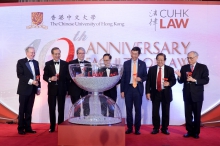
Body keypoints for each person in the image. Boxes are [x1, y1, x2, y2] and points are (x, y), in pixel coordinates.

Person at [175, 51, 209, 139]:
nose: (189, 60)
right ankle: (189, 131)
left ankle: (196, 132)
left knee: (197, 114)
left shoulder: (203, 67)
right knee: (188, 114)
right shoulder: (184, 67)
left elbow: (206, 80)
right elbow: (181, 81)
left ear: (196, 57)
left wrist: (195, 80)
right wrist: (179, 76)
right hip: (187, 95)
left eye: (191, 58)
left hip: (197, 95)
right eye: (188, 58)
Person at [146, 53, 176, 135]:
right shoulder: (151, 69)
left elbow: (174, 80)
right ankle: (156, 128)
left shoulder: (170, 69)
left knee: (165, 112)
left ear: (165, 60)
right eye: (158, 59)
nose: (160, 61)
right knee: (155, 112)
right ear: (156, 60)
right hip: (155, 93)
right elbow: (148, 82)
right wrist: (148, 92)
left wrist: (169, 83)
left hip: (165, 93)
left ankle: (164, 128)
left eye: (162, 60)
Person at [121, 47, 147, 135]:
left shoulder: (143, 64)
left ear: (138, 54)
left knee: (138, 110)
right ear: (131, 53)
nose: (134, 55)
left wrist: (141, 79)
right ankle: (129, 128)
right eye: (132, 53)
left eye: (136, 54)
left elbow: (145, 76)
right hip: (128, 89)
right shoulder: (126, 63)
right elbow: (123, 78)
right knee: (128, 110)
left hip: (138, 89)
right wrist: (122, 90)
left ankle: (137, 128)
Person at [43, 47, 68, 132]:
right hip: (52, 90)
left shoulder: (65, 64)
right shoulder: (48, 64)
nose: (57, 55)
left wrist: (67, 90)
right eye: (56, 54)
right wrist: (50, 78)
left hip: (62, 90)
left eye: (59, 54)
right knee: (52, 109)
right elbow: (44, 76)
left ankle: (61, 127)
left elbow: (68, 78)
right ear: (52, 55)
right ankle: (52, 127)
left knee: (61, 109)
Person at [16, 46, 41, 135]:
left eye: (34, 52)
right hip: (23, 90)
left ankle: (28, 127)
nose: (33, 54)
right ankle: (20, 128)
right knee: (22, 109)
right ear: (26, 53)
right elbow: (20, 75)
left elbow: (38, 76)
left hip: (33, 90)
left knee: (29, 109)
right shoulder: (21, 62)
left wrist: (38, 87)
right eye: (31, 52)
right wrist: (31, 82)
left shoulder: (36, 62)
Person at [68, 47, 90, 117]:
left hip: (85, 89)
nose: (82, 55)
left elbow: (91, 75)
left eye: (83, 53)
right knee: (76, 107)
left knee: (86, 106)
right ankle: (76, 122)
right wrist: (76, 76)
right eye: (80, 53)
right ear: (77, 54)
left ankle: (87, 122)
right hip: (75, 89)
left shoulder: (88, 63)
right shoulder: (71, 63)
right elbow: (67, 76)